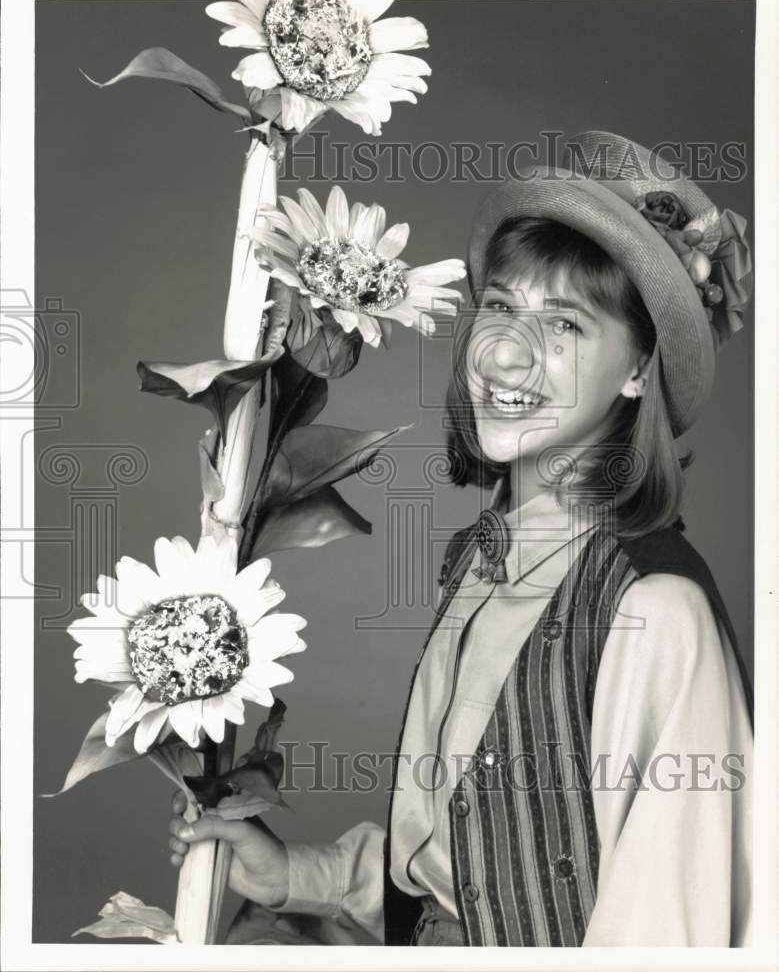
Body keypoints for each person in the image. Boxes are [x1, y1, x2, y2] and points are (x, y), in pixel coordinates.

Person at [168, 131, 754, 947]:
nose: (507, 357)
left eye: (565, 325)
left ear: (636, 371)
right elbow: (473, 876)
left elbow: (661, 930)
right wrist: (299, 874)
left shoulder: (651, 612)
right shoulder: (482, 563)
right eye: (501, 306)